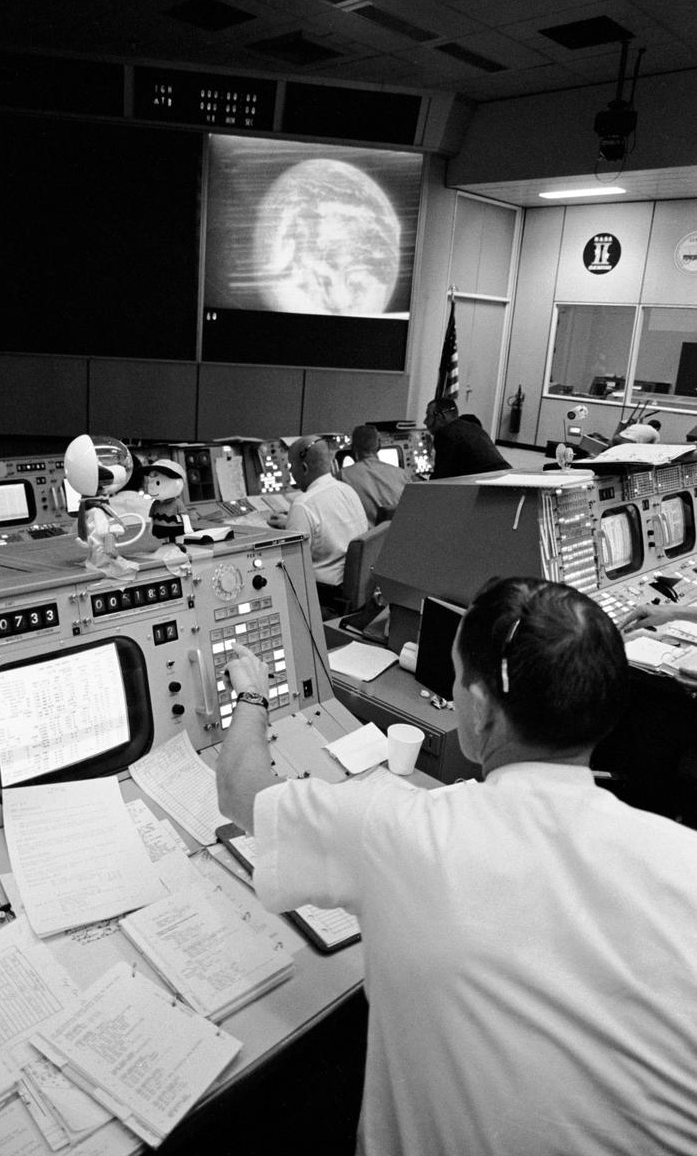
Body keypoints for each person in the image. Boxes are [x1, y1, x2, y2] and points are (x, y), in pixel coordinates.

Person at [216, 577, 697, 1156]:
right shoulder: (683, 857)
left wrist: (250, 696)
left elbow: (241, 788)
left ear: (480, 707)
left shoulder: (397, 831)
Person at [271, 435, 368, 614]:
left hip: (323, 597)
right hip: (353, 593)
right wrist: (290, 524)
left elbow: (293, 570)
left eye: (292, 466)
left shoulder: (303, 505)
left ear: (304, 467)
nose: (291, 472)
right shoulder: (348, 490)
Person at [424, 396, 509, 479]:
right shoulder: (472, 427)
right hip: (506, 478)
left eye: (428, 416)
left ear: (440, 416)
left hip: (488, 485)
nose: (425, 421)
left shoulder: (445, 434)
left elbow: (441, 479)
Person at [340, 424, 407, 525]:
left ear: (353, 448)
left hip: (368, 538)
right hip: (398, 535)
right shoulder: (402, 474)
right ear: (379, 445)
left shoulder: (342, 476)